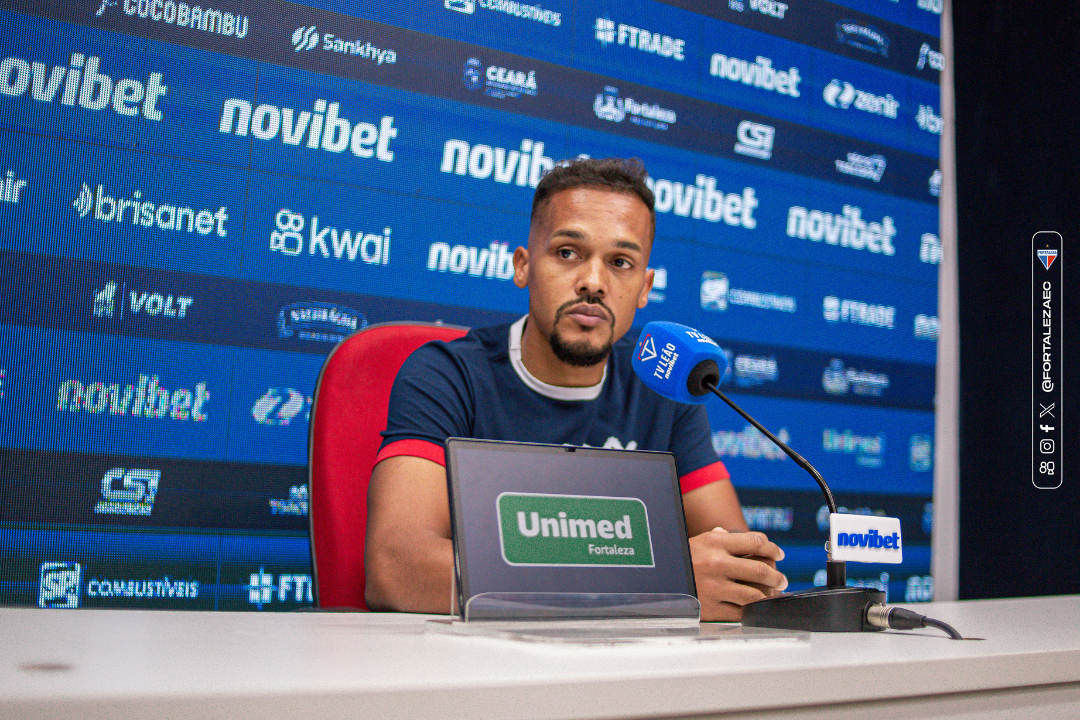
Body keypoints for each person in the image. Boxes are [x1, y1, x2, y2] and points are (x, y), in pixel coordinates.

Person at [364, 157, 787, 621]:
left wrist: (639, 587)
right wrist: (656, 584)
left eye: (620, 262)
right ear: (523, 266)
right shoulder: (447, 375)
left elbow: (743, 574)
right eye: (568, 253)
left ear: (644, 287)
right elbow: (396, 569)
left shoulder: (664, 387)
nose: (593, 283)